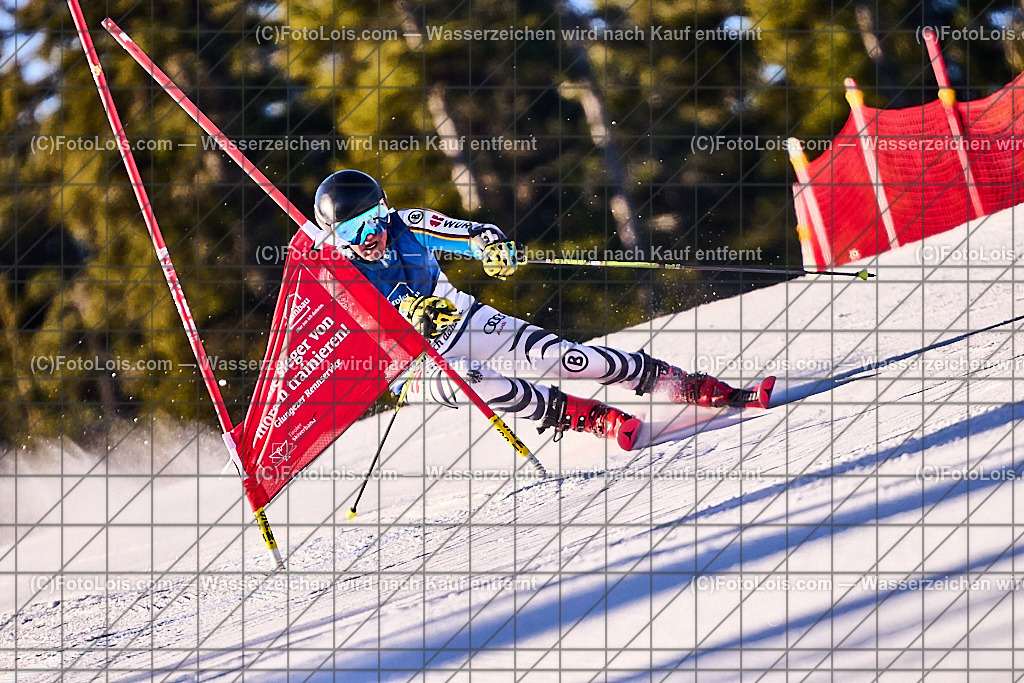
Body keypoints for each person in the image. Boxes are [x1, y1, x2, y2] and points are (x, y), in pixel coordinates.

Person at [313, 170, 765, 450]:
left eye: (372, 219)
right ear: (335, 238)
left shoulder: (406, 225)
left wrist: (491, 247)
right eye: (352, 230)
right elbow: (364, 325)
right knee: (474, 380)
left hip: (462, 319)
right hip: (411, 368)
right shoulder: (335, 273)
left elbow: (469, 232)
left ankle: (681, 383)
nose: (369, 235)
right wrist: (410, 313)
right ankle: (584, 417)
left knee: (567, 359)